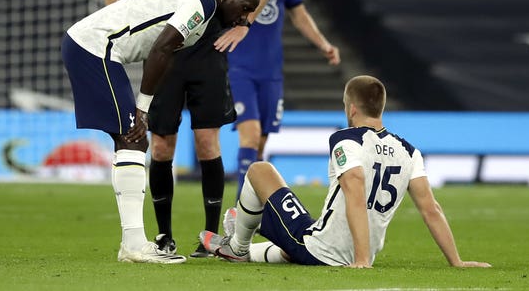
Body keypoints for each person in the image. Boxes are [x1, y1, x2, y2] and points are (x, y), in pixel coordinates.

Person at [101, 0, 277, 258]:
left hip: (207, 56)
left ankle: (210, 237)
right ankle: (164, 236)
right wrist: (120, 23)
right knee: (162, 146)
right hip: (164, 57)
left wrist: (242, 26)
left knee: (207, 143)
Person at [62, 0, 261, 264]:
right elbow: (162, 49)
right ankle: (133, 245)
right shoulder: (203, 3)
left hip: (95, 48)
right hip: (96, 48)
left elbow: (164, 51)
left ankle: (132, 243)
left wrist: (143, 107)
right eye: (244, 8)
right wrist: (142, 110)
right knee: (133, 140)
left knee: (131, 141)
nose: (244, 19)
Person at [200, 75, 492, 268]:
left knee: (260, 170)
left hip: (326, 249)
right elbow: (431, 208)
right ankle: (244, 243)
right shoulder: (409, 151)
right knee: (298, 239)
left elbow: (354, 188)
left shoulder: (347, 139)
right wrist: (456, 261)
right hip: (350, 249)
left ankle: (238, 246)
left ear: (352, 109)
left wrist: (361, 261)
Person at [229, 0, 340, 201]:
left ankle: (249, 215)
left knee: (260, 145)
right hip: (237, 65)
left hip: (270, 70)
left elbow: (298, 14)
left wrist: (324, 44)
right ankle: (238, 217)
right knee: (249, 137)